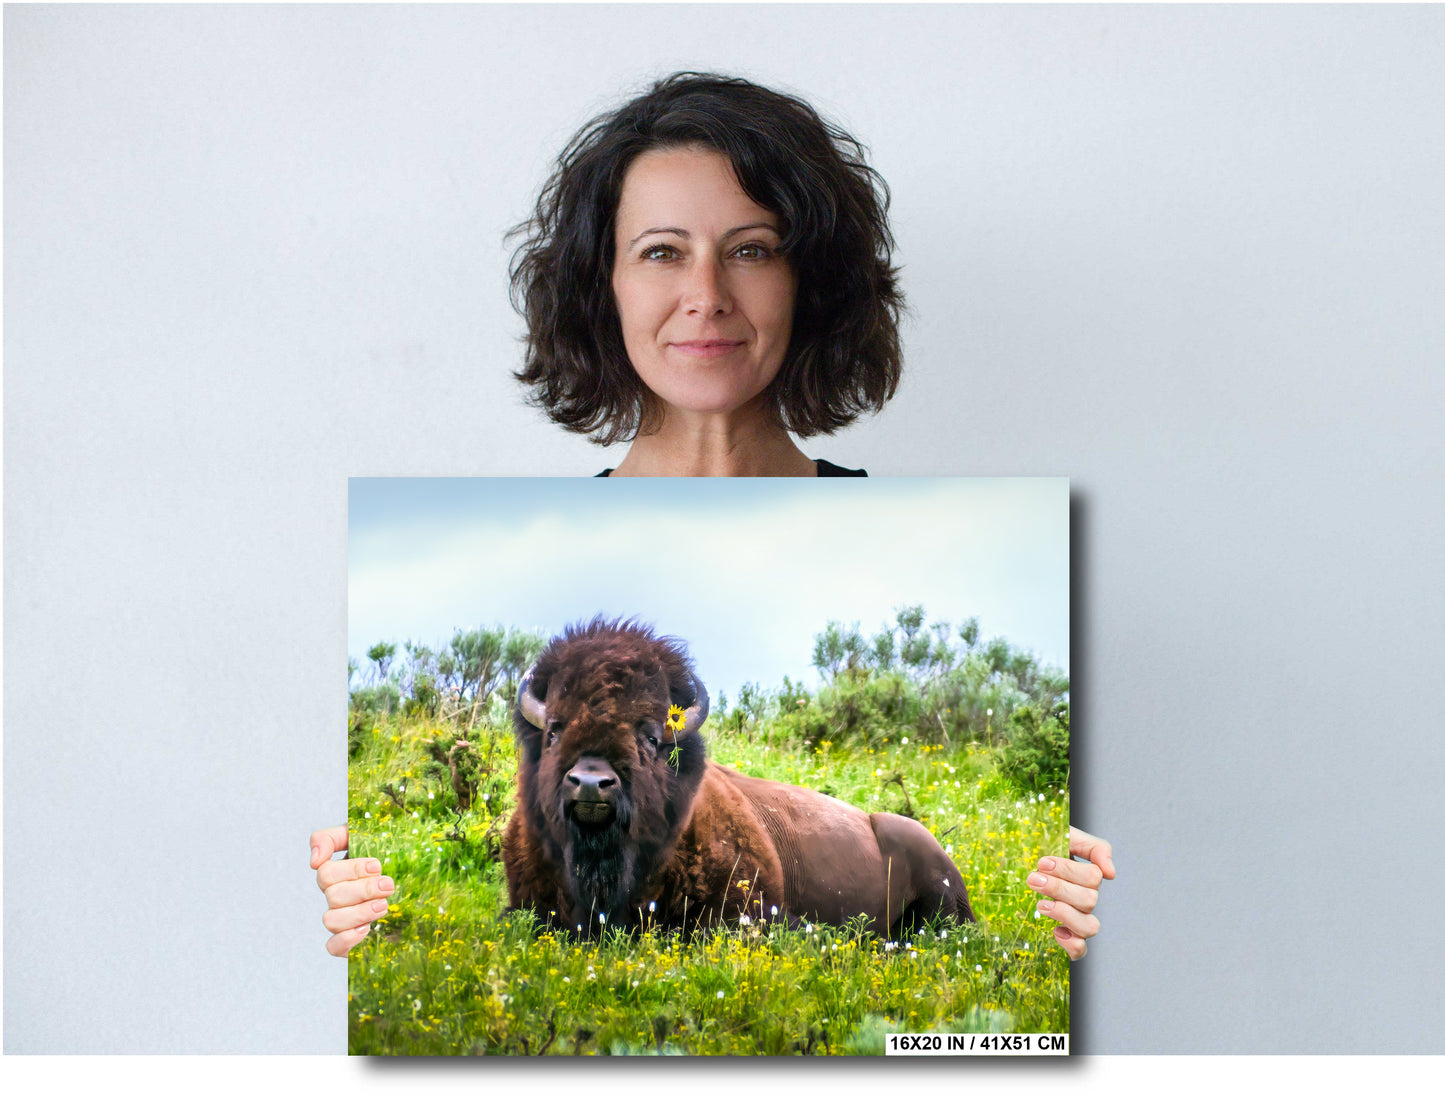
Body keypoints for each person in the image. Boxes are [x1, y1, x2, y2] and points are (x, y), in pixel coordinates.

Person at [313, 72, 1115, 959]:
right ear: (601, 285)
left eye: (752, 249)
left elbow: (989, 1053)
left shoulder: (980, 535)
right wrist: (360, 919)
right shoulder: (529, 843)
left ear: (809, 284)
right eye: (660, 251)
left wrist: (1078, 931)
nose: (707, 294)